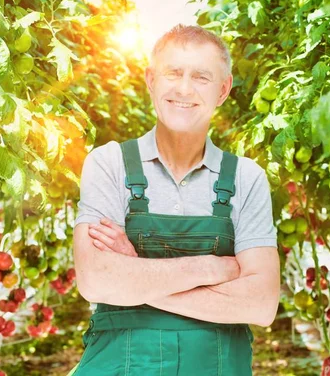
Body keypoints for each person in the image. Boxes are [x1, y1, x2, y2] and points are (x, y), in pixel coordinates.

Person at [71, 24, 280, 376]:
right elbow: (95, 281)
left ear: (223, 89)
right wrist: (211, 268)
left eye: (201, 77)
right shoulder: (109, 164)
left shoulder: (246, 178)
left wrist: (135, 275)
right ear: (151, 79)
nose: (184, 89)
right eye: (173, 73)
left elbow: (260, 304)